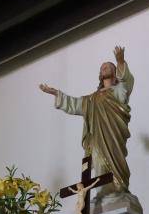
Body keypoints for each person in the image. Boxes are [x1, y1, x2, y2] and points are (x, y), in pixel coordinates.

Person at [39, 45, 136, 205]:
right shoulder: (92, 99)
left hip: (114, 137)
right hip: (98, 138)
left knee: (115, 161)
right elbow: (76, 104)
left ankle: (118, 190)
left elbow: (127, 81)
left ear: (114, 72)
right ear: (100, 74)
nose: (104, 68)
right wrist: (57, 94)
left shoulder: (119, 91)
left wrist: (120, 61)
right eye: (102, 67)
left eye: (108, 66)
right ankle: (103, 193)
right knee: (98, 161)